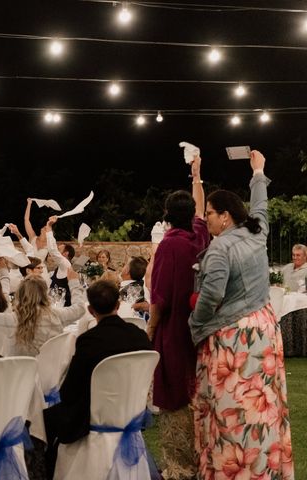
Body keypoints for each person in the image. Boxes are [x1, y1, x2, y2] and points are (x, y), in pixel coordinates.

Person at [189, 150, 294, 479]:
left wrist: (195, 324)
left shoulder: (220, 247)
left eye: (209, 213)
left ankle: (233, 471)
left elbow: (211, 297)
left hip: (235, 338)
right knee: (263, 405)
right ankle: (264, 468)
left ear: (225, 216)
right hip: (265, 329)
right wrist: (259, 171)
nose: (206, 219)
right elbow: (260, 204)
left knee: (233, 409)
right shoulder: (257, 232)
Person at [43, 280, 153, 475]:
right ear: (118, 306)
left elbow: (69, 392)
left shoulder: (89, 341)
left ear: (91, 310)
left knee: (49, 417)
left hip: (93, 419)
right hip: (130, 411)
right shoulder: (140, 337)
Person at [147, 153, 209, 480]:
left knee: (173, 398)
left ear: (167, 216)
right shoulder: (199, 236)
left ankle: (179, 467)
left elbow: (159, 297)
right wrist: (197, 176)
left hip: (172, 330)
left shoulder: (170, 244)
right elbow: (200, 210)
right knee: (194, 390)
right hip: (197, 328)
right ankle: (201, 459)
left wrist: (150, 329)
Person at [0, 261, 86, 356]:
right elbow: (80, 308)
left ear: (20, 295)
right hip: (49, 379)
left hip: (16, 380)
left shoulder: (14, 320)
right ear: (45, 294)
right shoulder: (58, 315)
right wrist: (73, 282)